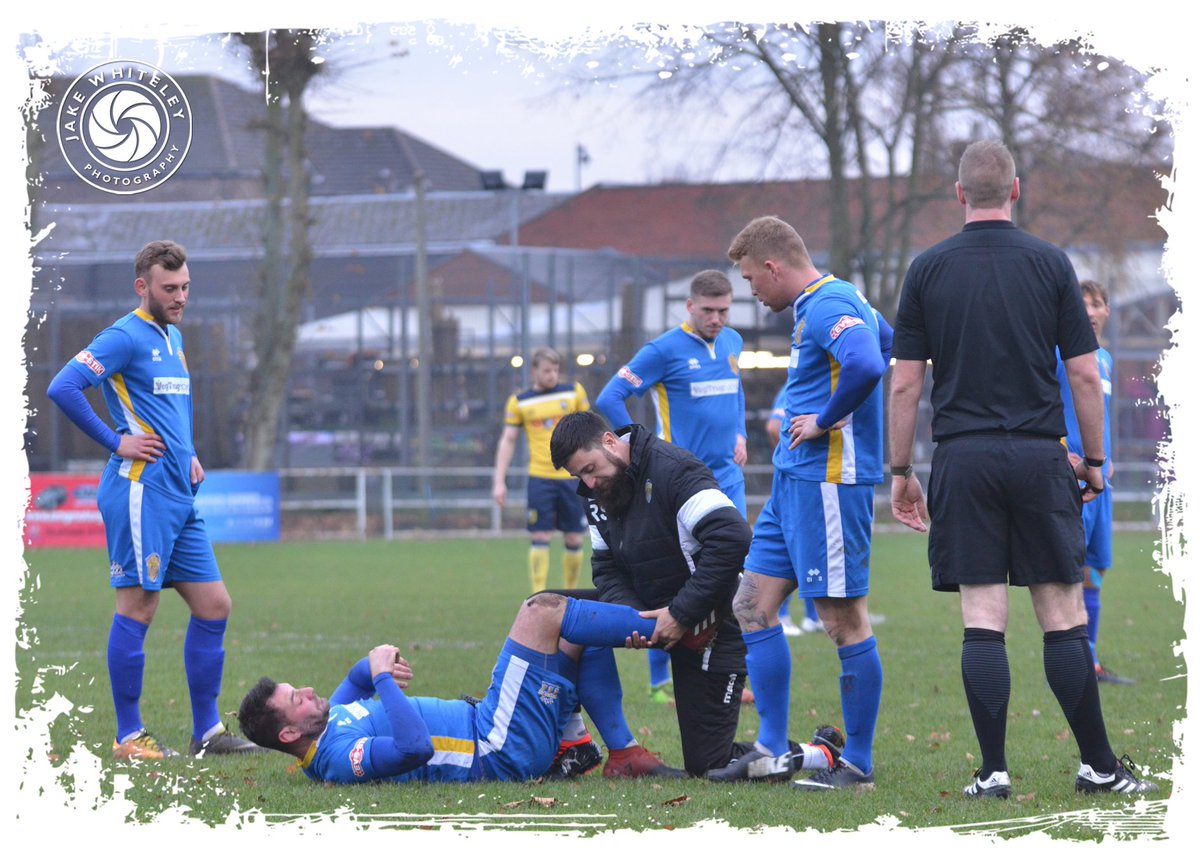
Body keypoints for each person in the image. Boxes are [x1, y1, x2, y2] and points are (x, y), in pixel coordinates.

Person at [888, 139, 1156, 797]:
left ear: (959, 195)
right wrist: (1093, 461)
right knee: (1062, 613)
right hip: (1040, 456)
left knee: (984, 615)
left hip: (963, 457)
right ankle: (1098, 766)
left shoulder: (926, 268)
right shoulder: (1049, 263)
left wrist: (900, 469)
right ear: (1016, 190)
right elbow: (1086, 376)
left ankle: (993, 771)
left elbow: (903, 384)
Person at [237, 591, 840, 783]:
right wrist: (382, 683)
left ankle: (605, 748)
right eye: (298, 699)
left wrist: (369, 671)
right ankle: (669, 629)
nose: (311, 692)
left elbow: (348, 686)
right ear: (290, 731)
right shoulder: (338, 759)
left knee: (577, 631)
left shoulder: (327, 724)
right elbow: (416, 749)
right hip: (498, 747)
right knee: (544, 611)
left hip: (497, 727)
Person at [46, 240, 262, 760]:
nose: (180, 296)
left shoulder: (173, 336)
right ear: (142, 286)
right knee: (139, 607)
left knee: (214, 606)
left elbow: (166, 405)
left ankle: (207, 734)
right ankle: (128, 736)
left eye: (185, 287)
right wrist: (117, 441)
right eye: (170, 289)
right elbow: (63, 386)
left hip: (177, 491)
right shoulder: (123, 336)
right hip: (139, 490)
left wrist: (188, 453)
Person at [548, 411, 844, 779]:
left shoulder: (674, 470)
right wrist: (634, 617)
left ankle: (820, 754)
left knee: (709, 764)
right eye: (579, 475)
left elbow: (733, 538)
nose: (589, 483)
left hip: (712, 622)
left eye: (590, 469)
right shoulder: (596, 493)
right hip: (652, 615)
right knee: (549, 610)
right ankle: (586, 745)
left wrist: (680, 614)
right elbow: (606, 568)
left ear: (609, 442)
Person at [707, 216, 891, 792]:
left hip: (830, 482)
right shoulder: (829, 301)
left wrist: (828, 420)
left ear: (773, 266)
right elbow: (889, 338)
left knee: (840, 619)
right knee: (752, 605)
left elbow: (867, 360)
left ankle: (856, 762)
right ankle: (769, 748)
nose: (751, 293)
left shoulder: (829, 300)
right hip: (793, 485)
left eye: (750, 280)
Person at [595, 269, 747, 702]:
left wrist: (741, 433)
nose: (716, 318)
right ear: (690, 306)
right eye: (708, 310)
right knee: (676, 578)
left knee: (731, 574)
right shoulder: (663, 349)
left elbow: (735, 394)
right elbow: (609, 397)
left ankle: (726, 670)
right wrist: (641, 453)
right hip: (682, 484)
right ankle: (662, 679)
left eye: (723, 310)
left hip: (728, 479)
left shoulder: (733, 342)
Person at [1056, 281, 1133, 686]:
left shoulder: (1104, 358)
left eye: (1097, 303)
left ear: (1106, 312)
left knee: (1095, 568)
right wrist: (1061, 449)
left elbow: (1101, 415)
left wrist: (1107, 457)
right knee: (1070, 568)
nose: (1089, 309)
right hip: (1073, 480)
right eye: (1082, 302)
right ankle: (1079, 662)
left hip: (1101, 478)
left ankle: (1092, 662)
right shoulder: (1059, 352)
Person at [491, 347, 590, 593]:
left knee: (575, 538)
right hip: (540, 477)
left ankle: (571, 594)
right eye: (547, 370)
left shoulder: (574, 392)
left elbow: (589, 431)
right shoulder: (519, 402)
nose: (552, 375)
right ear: (534, 371)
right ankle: (538, 595)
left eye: (556, 370)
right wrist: (498, 481)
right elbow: (508, 440)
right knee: (540, 536)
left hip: (571, 477)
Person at [765, 384, 822, 637]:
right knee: (796, 546)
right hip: (801, 479)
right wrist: (791, 457)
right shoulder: (795, 386)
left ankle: (812, 616)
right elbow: (773, 426)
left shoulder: (816, 385)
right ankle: (783, 615)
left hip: (815, 479)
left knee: (814, 547)